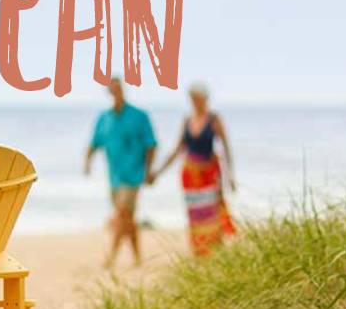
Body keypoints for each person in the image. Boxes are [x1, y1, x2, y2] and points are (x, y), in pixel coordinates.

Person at [150, 82, 237, 256]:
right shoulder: (187, 120)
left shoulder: (214, 119)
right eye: (192, 98)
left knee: (212, 214)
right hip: (190, 176)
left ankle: (216, 253)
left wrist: (230, 176)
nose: (194, 102)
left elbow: (226, 148)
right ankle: (199, 253)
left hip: (209, 175)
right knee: (195, 216)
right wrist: (158, 172)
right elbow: (178, 149)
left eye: (197, 98)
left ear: (205, 98)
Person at [84, 77, 157, 269]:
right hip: (114, 177)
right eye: (113, 90)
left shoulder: (139, 116)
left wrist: (149, 171)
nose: (117, 92)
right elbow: (94, 143)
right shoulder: (104, 118)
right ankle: (138, 257)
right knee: (128, 219)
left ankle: (112, 256)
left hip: (133, 175)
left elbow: (151, 145)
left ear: (123, 90)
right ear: (109, 93)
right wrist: (87, 163)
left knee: (121, 213)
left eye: (119, 89)